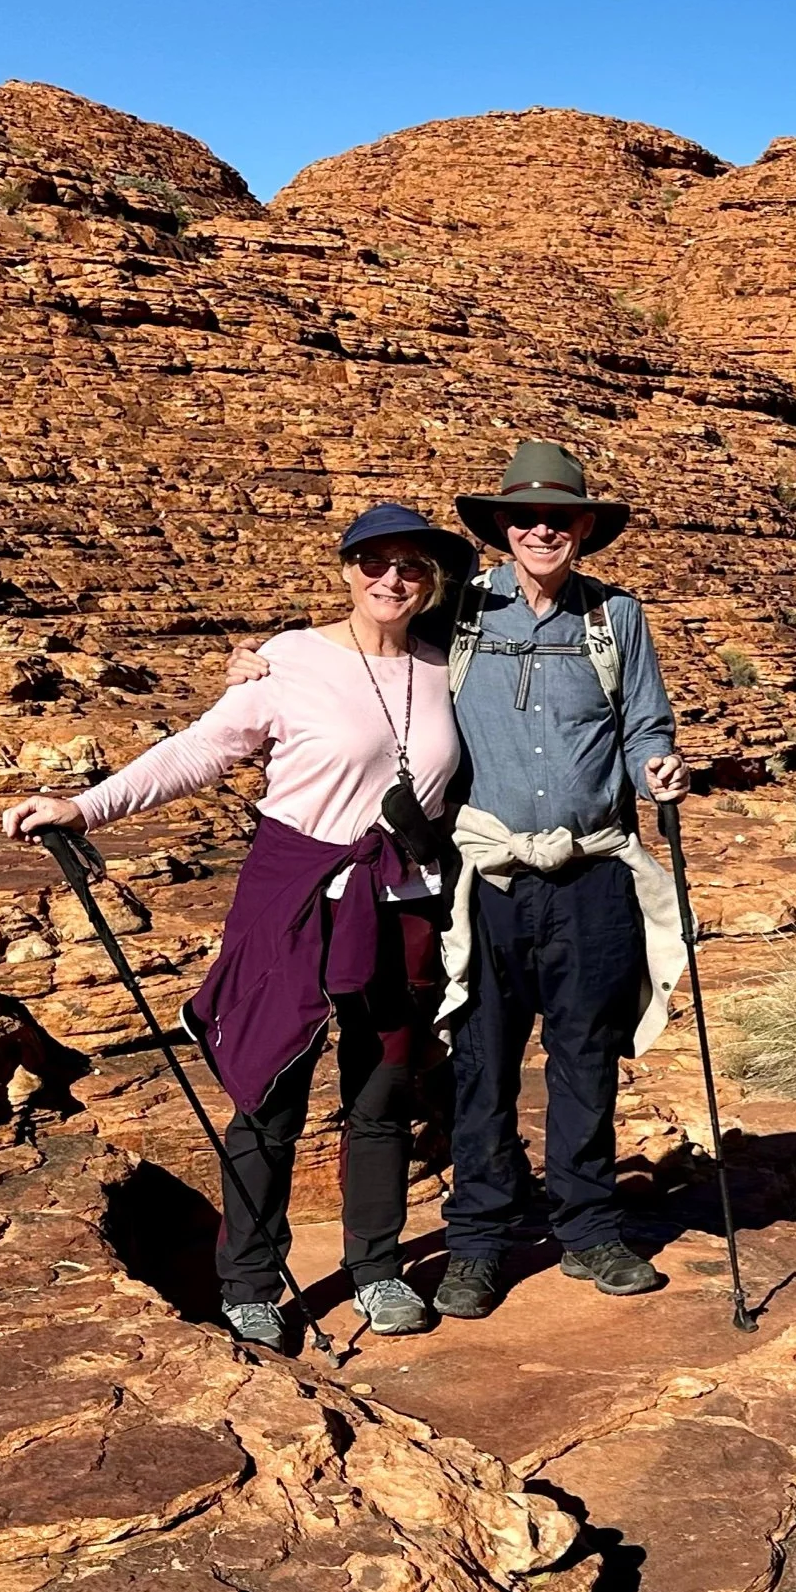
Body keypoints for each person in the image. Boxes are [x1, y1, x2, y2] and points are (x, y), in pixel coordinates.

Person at [226, 442, 692, 1320]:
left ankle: (589, 1227)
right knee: (482, 1061)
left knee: (587, 1053)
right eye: (524, 516)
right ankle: (478, 1242)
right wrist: (262, 658)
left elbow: (643, 724)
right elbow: (373, 637)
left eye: (559, 516)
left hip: (593, 870)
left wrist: (656, 767)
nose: (541, 529)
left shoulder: (616, 617)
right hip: (489, 877)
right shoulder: (465, 609)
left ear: (585, 528)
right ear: (500, 528)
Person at [4, 502, 475, 1347]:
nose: (390, 580)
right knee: (268, 1093)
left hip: (400, 906)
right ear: (345, 569)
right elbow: (200, 750)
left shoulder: (451, 667)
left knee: (380, 1099)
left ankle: (376, 1270)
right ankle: (250, 1281)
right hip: (292, 900)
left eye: (408, 566)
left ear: (431, 580)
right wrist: (83, 808)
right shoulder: (288, 661)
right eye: (373, 562)